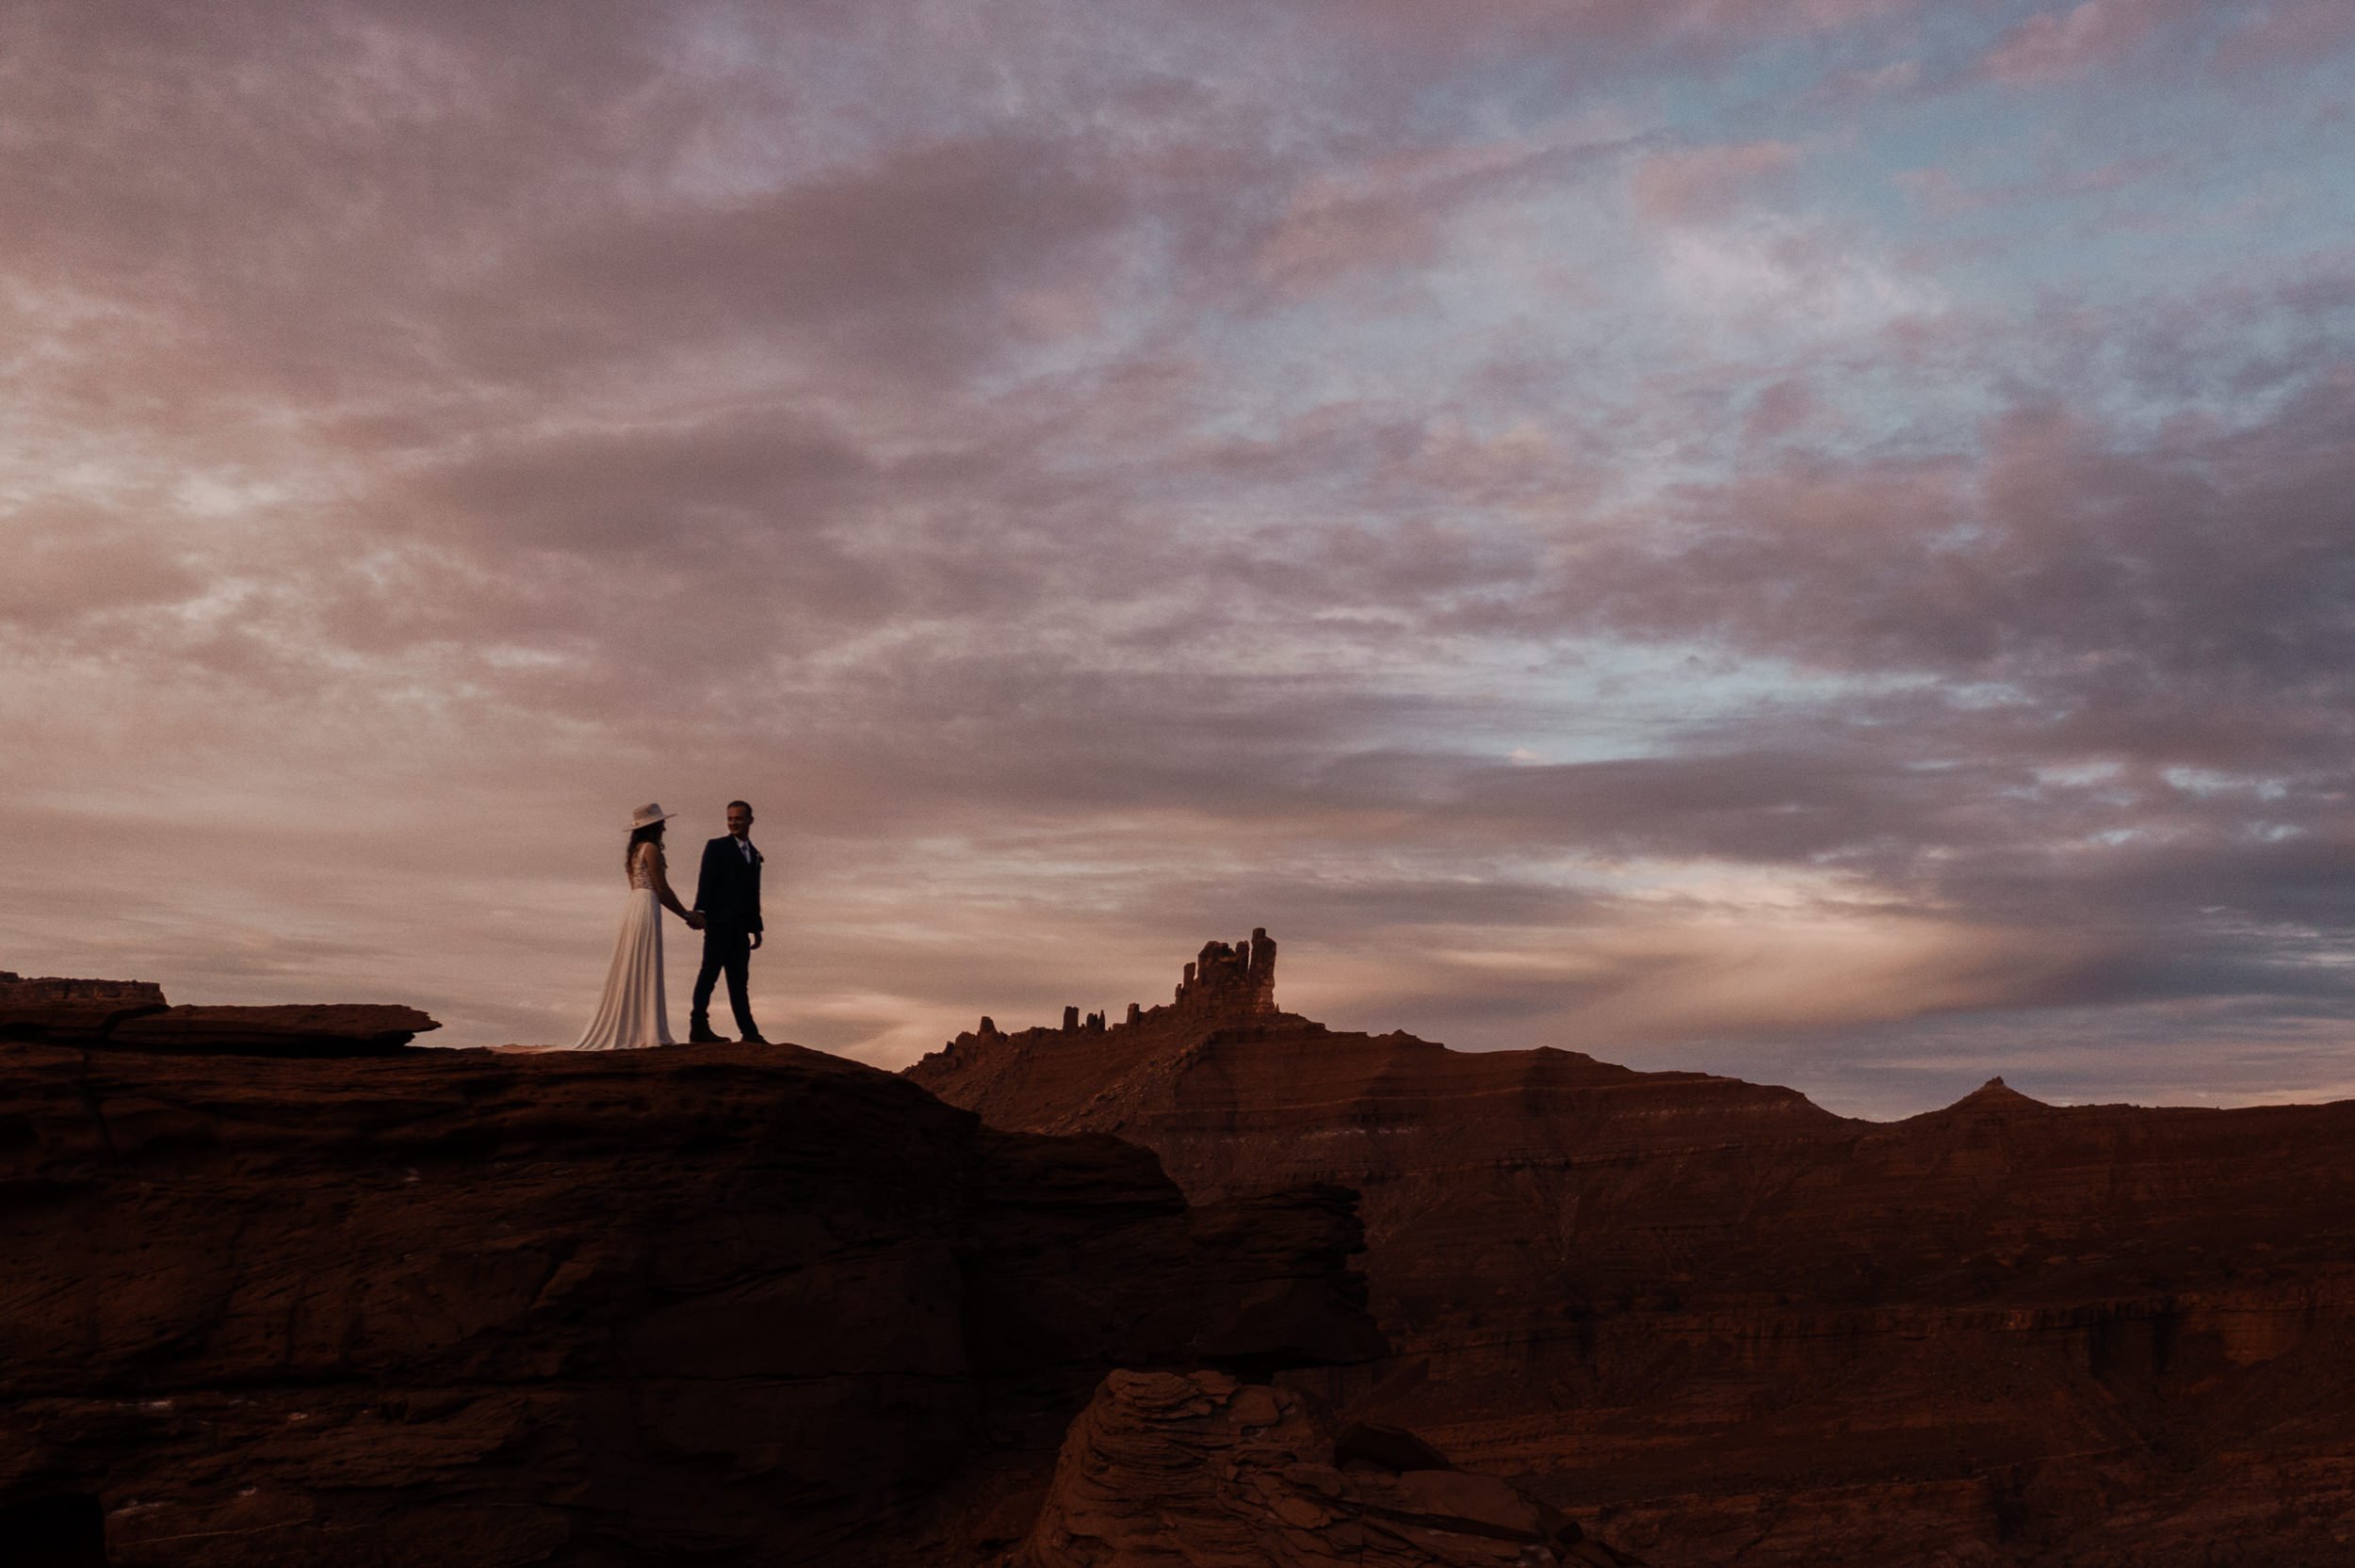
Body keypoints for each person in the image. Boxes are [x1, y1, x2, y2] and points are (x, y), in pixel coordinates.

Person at [571, 803, 704, 1050]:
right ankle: (645, 1028)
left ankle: (637, 1026)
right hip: (646, 904)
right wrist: (686, 914)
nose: (665, 826)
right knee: (644, 960)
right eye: (661, 822)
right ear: (655, 826)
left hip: (635, 904)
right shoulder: (650, 849)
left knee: (635, 961)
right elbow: (662, 889)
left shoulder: (635, 851)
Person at [690, 799, 768, 1043]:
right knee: (709, 975)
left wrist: (756, 927)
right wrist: (700, 911)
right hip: (718, 924)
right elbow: (706, 881)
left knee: (739, 981)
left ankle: (749, 1032)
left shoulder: (754, 855)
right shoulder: (716, 847)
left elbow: (754, 893)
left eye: (738, 818)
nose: (733, 822)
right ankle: (698, 1027)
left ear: (750, 821)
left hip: (740, 929)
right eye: (730, 818)